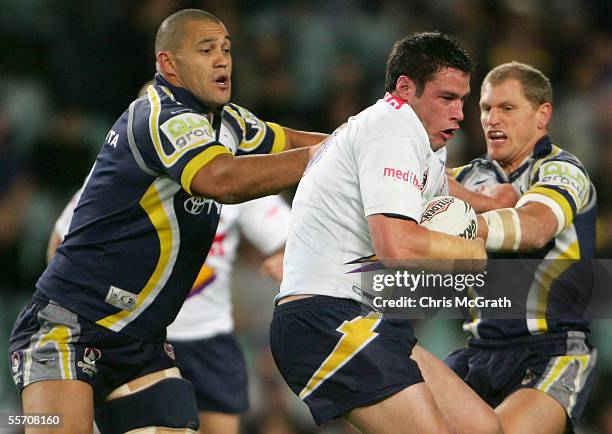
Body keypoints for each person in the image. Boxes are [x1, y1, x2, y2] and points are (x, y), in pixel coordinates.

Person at [9, 9, 325, 434]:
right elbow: (221, 179)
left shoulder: (228, 121)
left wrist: (362, 142)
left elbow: (288, 139)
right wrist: (320, 159)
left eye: (227, 50)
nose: (222, 60)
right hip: (68, 330)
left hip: (139, 342)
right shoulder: (160, 116)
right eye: (206, 49)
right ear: (168, 64)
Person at [270, 32, 501, 434]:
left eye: (463, 100)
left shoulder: (416, 139)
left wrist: (496, 205)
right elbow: (395, 244)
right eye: (446, 98)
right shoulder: (392, 127)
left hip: (365, 316)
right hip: (325, 318)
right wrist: (471, 254)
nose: (460, 114)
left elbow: (442, 186)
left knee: (482, 428)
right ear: (405, 88)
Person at [47, 189, 290, 434]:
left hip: (209, 337)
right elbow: (61, 242)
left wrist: (288, 258)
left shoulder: (234, 173)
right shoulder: (126, 163)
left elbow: (293, 237)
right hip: (134, 337)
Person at [446, 61, 598, 434]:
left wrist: (462, 222)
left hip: (551, 350)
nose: (492, 119)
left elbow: (535, 227)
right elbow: (386, 166)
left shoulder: (562, 171)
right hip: (477, 352)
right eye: (485, 108)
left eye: (507, 108)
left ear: (542, 114)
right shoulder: (463, 178)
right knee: (388, 399)